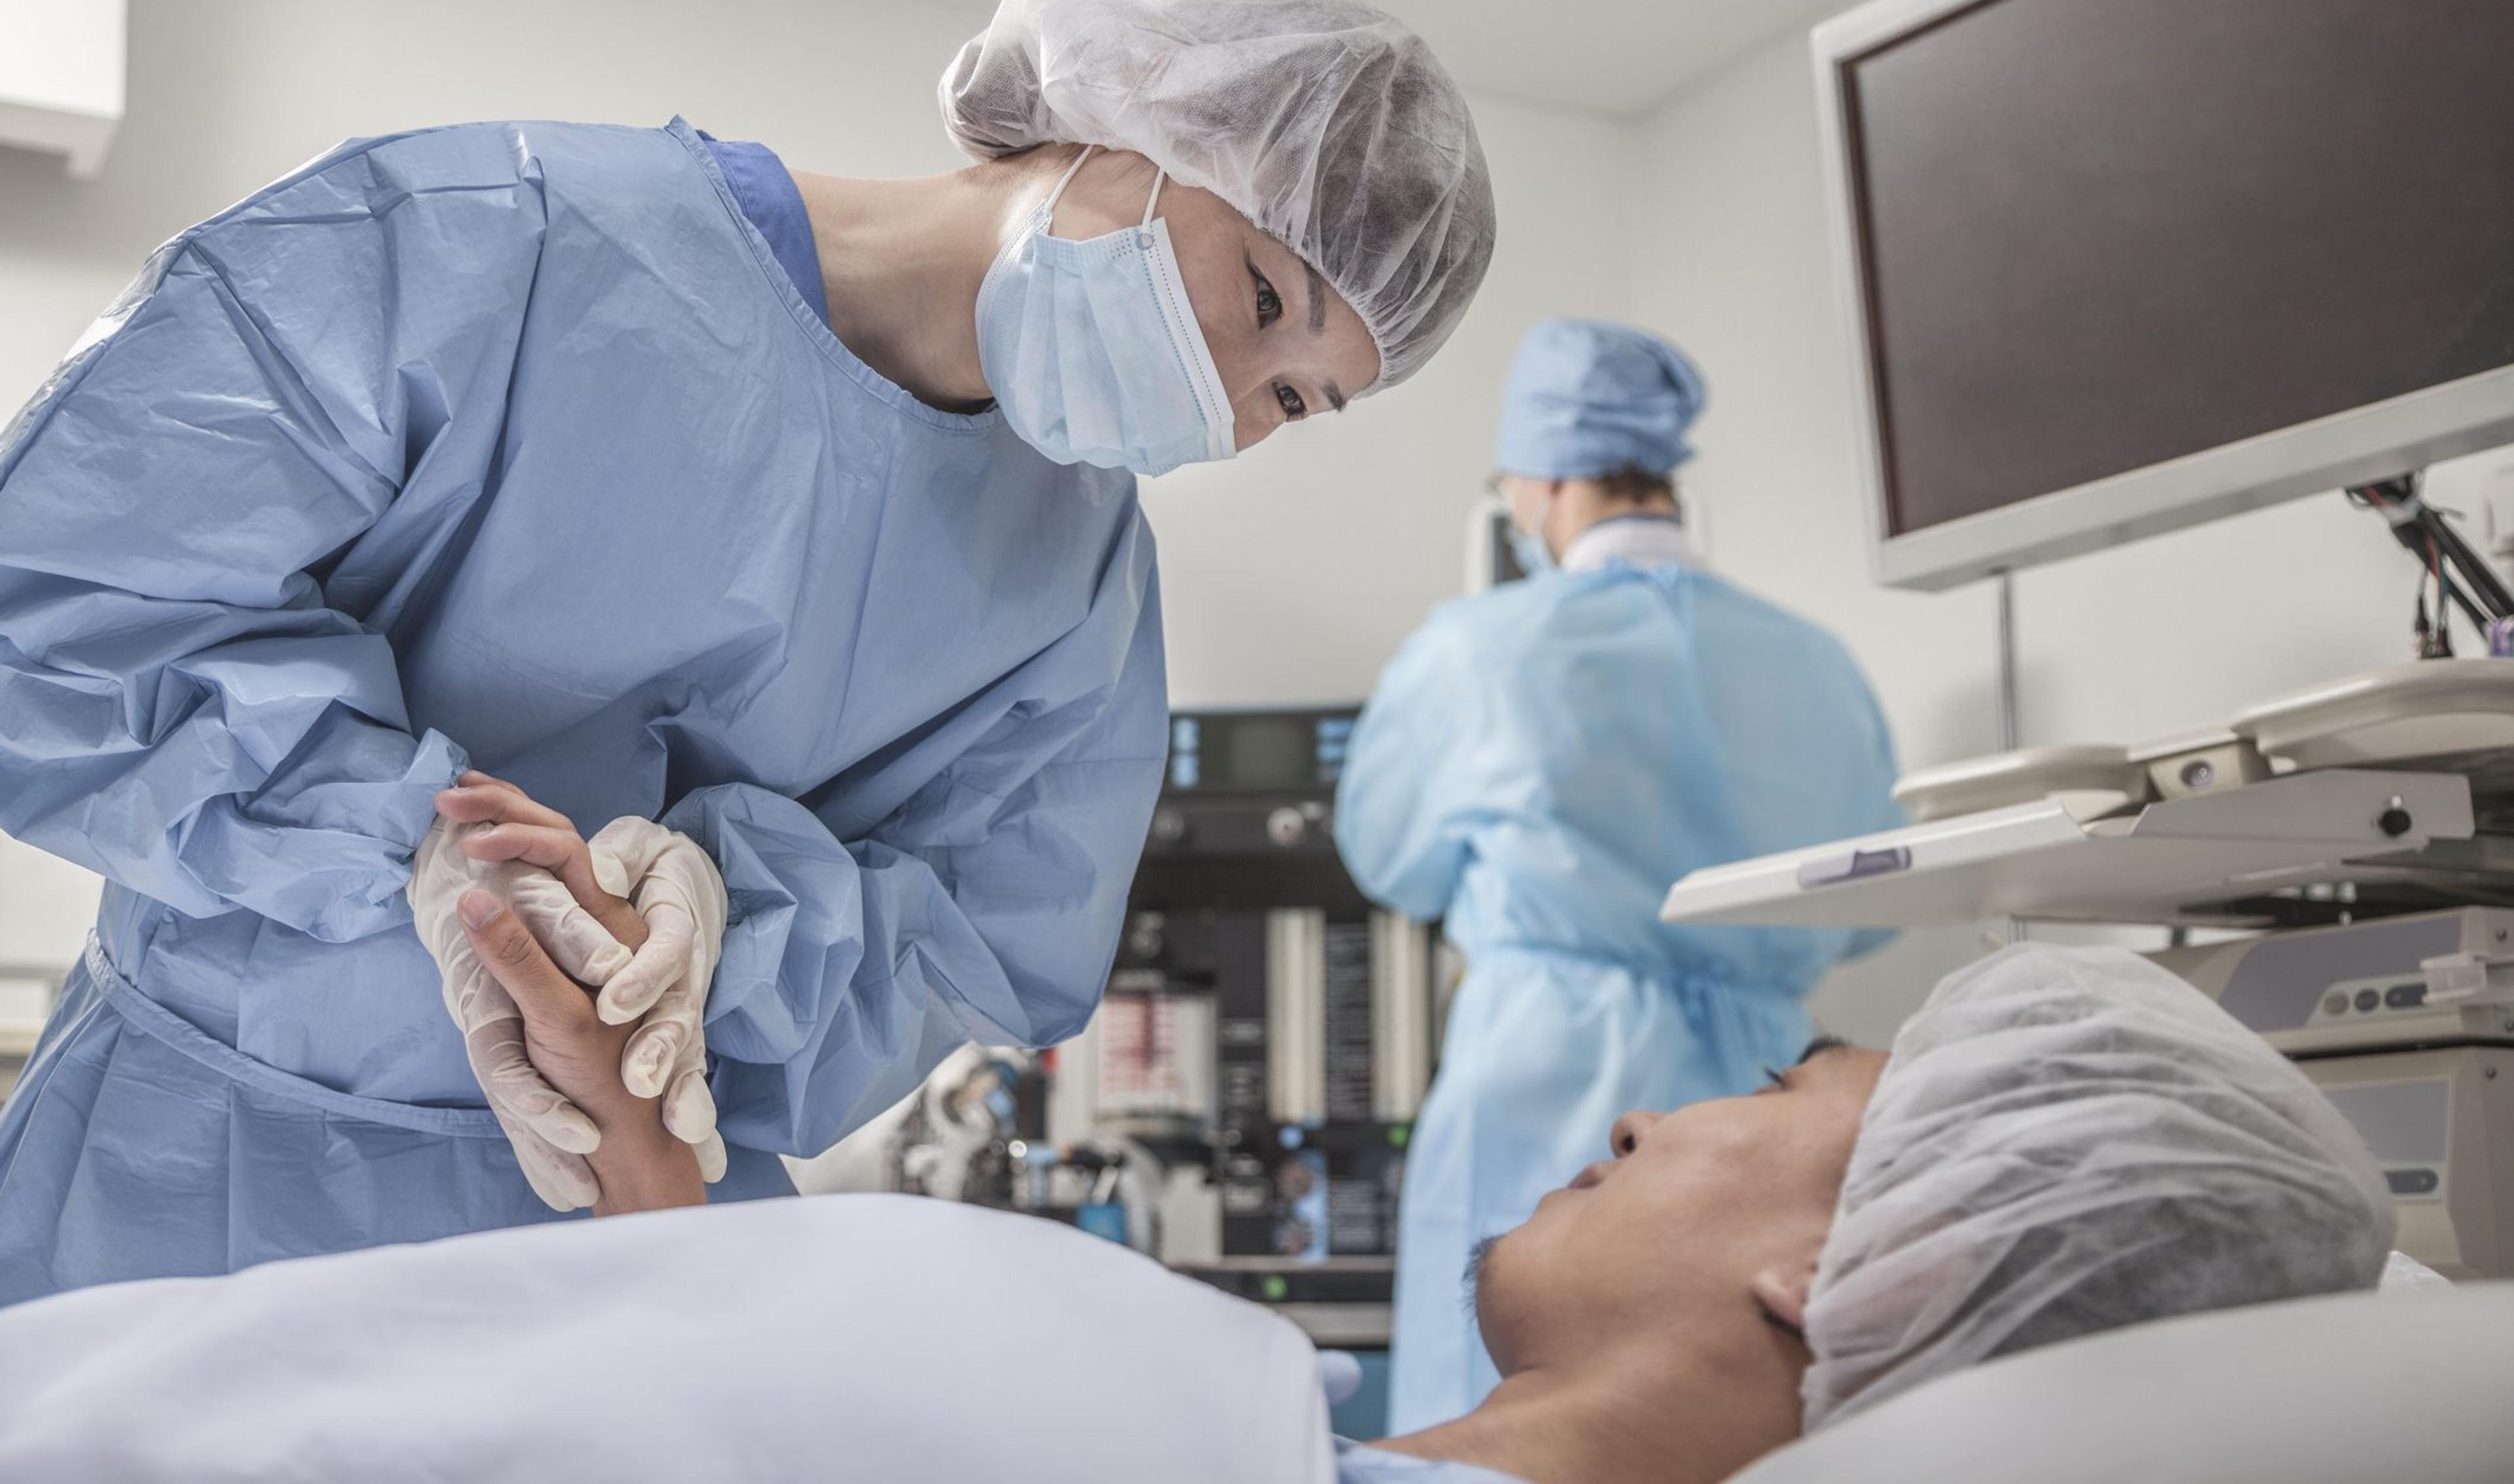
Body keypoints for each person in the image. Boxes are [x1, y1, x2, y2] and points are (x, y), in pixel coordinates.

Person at [0, 0, 1496, 1303]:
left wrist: (725, 930)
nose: (1234, 398)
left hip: (615, 1248)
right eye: (1259, 299)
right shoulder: (495, 236)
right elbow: (64, 593)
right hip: (182, 1172)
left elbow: (988, 937)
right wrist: (409, 844)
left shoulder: (1080, 583)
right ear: (1126, 123)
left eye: (1297, 399)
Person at [0, 939, 2398, 1484]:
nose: (1662, 1109)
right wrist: (684, 1232)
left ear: (1878, 1272)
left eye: (1787, 1085)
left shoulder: (1109, 1390)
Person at [1334, 317, 1901, 1428]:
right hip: (1767, 1102)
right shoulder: (1818, 663)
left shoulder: (1479, 648)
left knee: (1512, 1404)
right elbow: (1869, 910)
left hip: (1545, 1072)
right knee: (1740, 1412)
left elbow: (1390, 858)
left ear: (1539, 480)